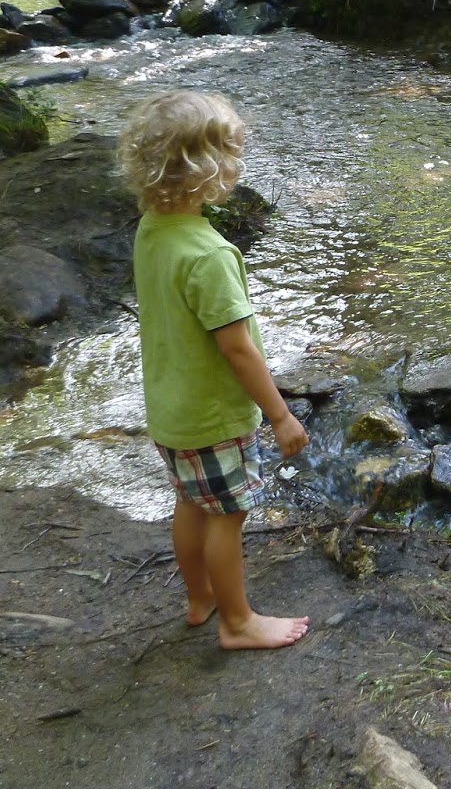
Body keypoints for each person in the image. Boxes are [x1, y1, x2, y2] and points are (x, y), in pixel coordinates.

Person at [118, 90, 310, 651]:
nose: (238, 167)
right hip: (214, 414)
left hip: (170, 407)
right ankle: (238, 621)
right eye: (232, 155)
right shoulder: (210, 256)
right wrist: (280, 415)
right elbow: (239, 349)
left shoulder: (153, 227)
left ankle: (201, 597)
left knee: (191, 503)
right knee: (227, 516)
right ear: (205, 170)